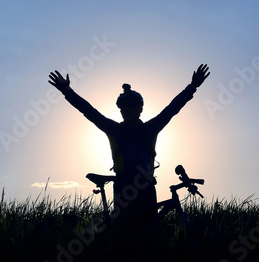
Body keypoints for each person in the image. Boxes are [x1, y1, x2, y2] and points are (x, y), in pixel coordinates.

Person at [48, 64, 210, 254]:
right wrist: (67, 91)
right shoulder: (114, 130)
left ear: (140, 109)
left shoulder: (150, 128)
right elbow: (89, 112)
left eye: (132, 106)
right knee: (122, 236)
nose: (128, 109)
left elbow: (172, 109)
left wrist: (193, 87)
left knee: (149, 234)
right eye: (124, 107)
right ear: (120, 110)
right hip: (123, 186)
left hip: (146, 185)